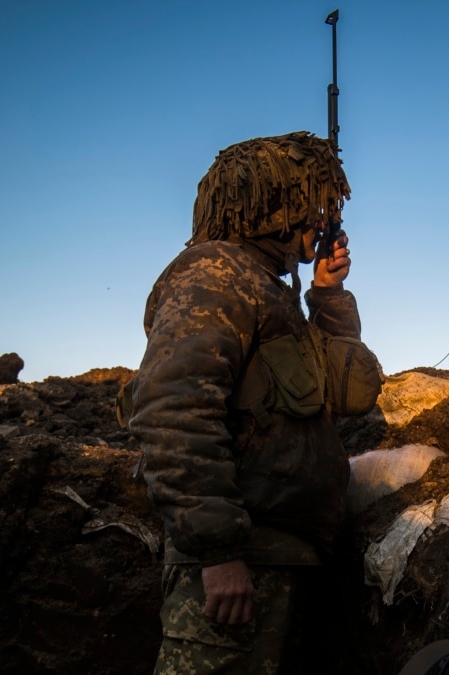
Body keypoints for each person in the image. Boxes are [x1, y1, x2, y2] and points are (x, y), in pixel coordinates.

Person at [128, 131, 368, 674]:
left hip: (285, 555)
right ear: (276, 204)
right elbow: (174, 407)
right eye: (312, 203)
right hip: (240, 561)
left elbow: (342, 387)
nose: (323, 221)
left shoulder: (268, 289)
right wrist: (217, 552)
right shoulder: (216, 273)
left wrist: (327, 295)